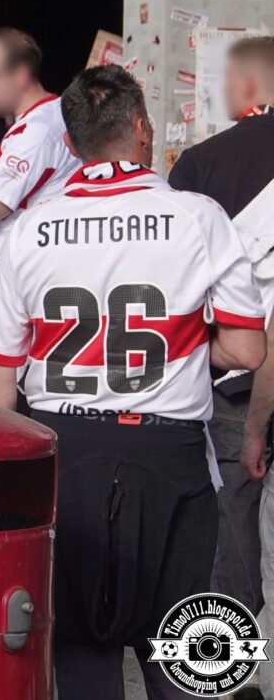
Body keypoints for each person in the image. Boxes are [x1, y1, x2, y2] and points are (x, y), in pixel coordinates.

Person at [0, 64, 268, 699]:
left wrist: (4, 481)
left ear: (71, 144)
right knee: (192, 652)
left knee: (79, 650)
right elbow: (246, 345)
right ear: (138, 127)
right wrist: (181, 352)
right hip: (172, 455)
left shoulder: (27, 229)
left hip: (62, 455)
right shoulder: (197, 215)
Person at [169, 36, 274, 646]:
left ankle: (222, 661)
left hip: (233, 371)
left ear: (251, 86)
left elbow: (175, 275)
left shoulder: (202, 163)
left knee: (232, 523)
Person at [0, 28, 81, 313]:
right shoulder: (51, 116)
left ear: (22, 75)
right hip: (30, 284)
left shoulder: (37, 131)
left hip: (15, 293)